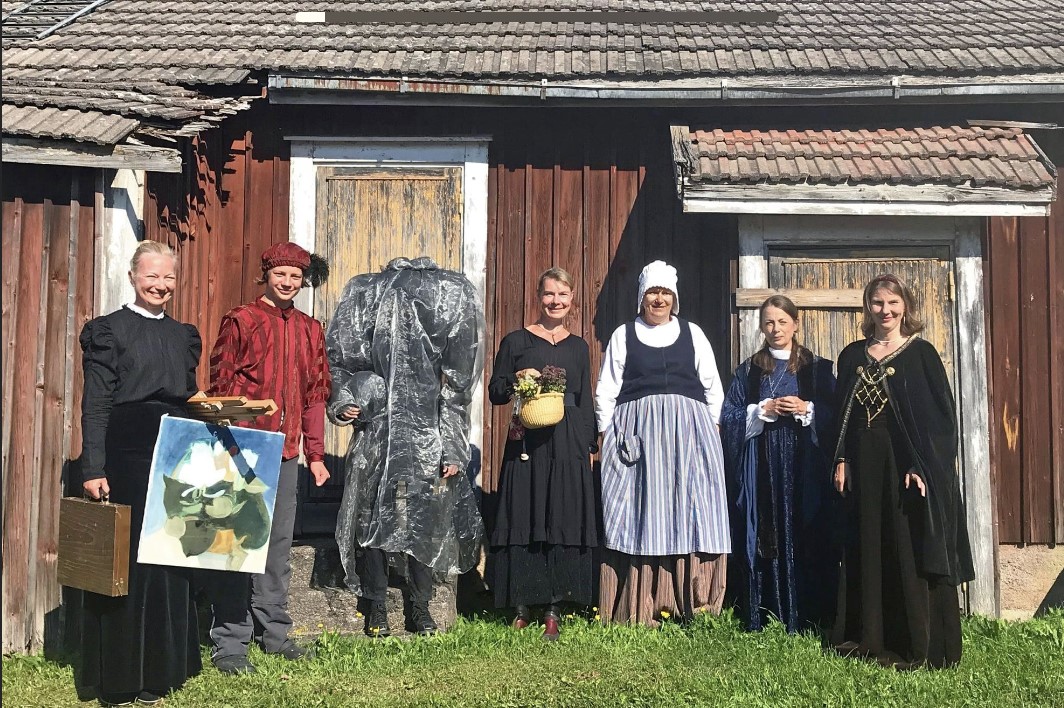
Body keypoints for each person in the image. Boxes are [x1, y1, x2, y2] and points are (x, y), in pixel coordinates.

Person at [327, 256, 484, 637]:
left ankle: (420, 605)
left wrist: (450, 447)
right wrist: (348, 401)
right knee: (370, 516)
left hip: (425, 435)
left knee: (424, 519)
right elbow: (342, 369)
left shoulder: (449, 306)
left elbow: (455, 391)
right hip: (377, 433)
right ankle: (377, 604)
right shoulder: (366, 298)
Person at [78, 240, 202, 706]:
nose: (161, 285)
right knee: (126, 567)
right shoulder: (108, 331)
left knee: (168, 561)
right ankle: (121, 680)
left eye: (169, 277)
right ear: (132, 276)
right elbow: (96, 404)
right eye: (152, 276)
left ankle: (161, 674)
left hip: (175, 452)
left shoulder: (183, 334)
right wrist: (94, 466)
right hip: (125, 456)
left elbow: (187, 398)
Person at [831, 274, 974, 669]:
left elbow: (938, 422)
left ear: (905, 306)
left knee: (906, 547)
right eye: (877, 303)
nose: (886, 311)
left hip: (904, 470)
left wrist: (920, 466)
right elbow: (841, 416)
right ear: (867, 308)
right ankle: (869, 636)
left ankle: (915, 642)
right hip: (863, 466)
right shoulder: (852, 356)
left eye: (893, 303)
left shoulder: (921, 354)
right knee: (868, 543)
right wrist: (840, 458)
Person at [204, 242, 332, 675]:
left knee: (277, 548)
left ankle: (274, 633)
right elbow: (220, 385)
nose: (288, 282)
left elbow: (316, 394)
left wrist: (315, 454)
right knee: (237, 544)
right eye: (281, 274)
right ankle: (230, 640)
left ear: (303, 281)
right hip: (244, 451)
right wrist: (236, 441)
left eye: (296, 277)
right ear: (267, 275)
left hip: (286, 454)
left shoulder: (311, 329)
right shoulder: (241, 321)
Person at [595, 260, 730, 625]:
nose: (659, 299)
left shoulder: (693, 334)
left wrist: (713, 428)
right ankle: (644, 600)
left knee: (692, 508)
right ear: (641, 297)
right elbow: (606, 390)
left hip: (689, 433)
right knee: (642, 510)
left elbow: (712, 386)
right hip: (639, 433)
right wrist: (606, 433)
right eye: (653, 292)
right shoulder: (625, 335)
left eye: (665, 293)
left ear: (675, 298)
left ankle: (694, 600)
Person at [487, 267, 600, 641]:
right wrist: (517, 380)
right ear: (539, 297)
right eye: (550, 295)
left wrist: (587, 444)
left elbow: (584, 400)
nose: (556, 302)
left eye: (563, 296)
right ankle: (521, 605)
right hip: (527, 441)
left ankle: (553, 606)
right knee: (526, 511)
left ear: (572, 300)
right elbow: (496, 391)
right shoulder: (517, 340)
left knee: (559, 514)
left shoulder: (579, 347)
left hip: (567, 441)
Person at [720, 295, 836, 633]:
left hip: (806, 467)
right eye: (769, 322)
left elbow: (836, 416)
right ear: (761, 326)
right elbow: (728, 417)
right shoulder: (749, 369)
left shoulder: (817, 368)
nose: (776, 329)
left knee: (807, 527)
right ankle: (766, 608)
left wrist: (806, 409)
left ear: (796, 324)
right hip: (764, 467)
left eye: (782, 322)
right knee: (766, 533)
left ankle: (808, 612)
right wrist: (760, 412)